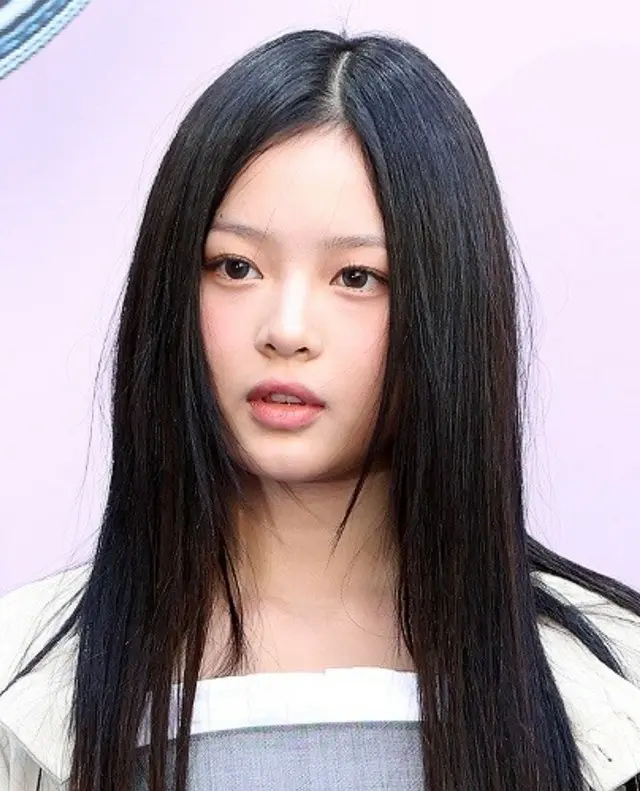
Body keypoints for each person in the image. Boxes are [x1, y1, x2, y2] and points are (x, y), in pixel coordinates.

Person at [1, 27, 639, 791]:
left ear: (449, 307)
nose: (287, 329)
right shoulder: (23, 684)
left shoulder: (610, 690)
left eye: (357, 277)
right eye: (236, 266)